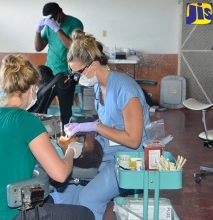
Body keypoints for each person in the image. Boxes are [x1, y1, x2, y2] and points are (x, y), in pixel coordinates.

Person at [0, 54, 94, 220]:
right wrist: (70, 151)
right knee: (85, 215)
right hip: (5, 215)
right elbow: (60, 174)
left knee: (50, 201)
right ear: (33, 88)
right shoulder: (27, 121)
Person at [49, 30, 151, 219]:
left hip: (131, 160)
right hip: (110, 152)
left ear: (94, 65)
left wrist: (93, 127)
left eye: (79, 72)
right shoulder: (99, 87)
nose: (77, 78)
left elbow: (134, 140)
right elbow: (110, 122)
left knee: (89, 198)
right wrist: (84, 127)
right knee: (68, 188)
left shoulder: (125, 89)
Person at [34, 2, 84, 134]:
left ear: (59, 13)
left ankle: (66, 138)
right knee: (40, 108)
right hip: (49, 74)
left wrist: (57, 29)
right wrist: (38, 31)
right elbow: (38, 48)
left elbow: (73, 47)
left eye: (53, 18)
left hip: (66, 74)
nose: (52, 22)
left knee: (65, 111)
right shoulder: (49, 25)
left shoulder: (75, 24)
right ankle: (38, 137)